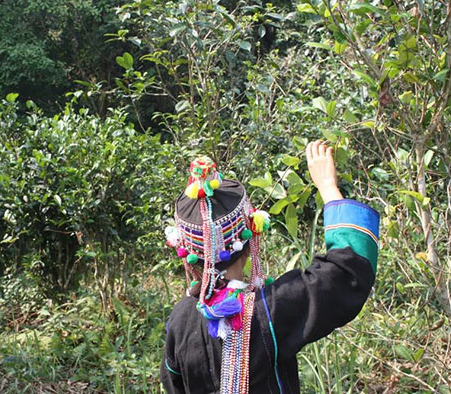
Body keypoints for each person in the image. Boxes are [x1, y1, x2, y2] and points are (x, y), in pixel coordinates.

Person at [160, 141, 380, 393]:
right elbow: (346, 271)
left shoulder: (179, 320)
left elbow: (173, 384)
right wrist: (329, 187)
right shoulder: (270, 311)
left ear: (186, 252)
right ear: (251, 237)